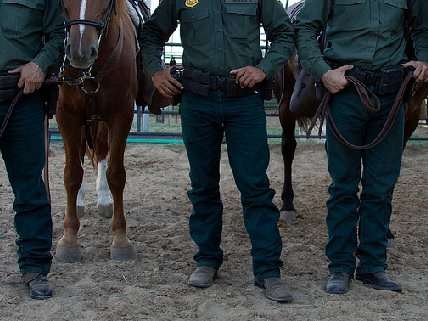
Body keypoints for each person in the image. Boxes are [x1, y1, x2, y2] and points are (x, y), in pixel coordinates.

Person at [142, 0, 295, 302]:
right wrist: (156, 71)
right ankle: (207, 259)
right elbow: (151, 34)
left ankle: (268, 271)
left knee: (255, 187)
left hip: (244, 100)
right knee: (203, 185)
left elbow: (284, 33)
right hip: (197, 100)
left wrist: (264, 69)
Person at [295, 0, 428, 294]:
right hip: (346, 93)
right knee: (343, 185)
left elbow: (423, 27)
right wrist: (322, 71)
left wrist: (424, 59)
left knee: (380, 186)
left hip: (392, 94)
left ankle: (372, 266)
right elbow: (305, 28)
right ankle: (340, 267)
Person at [0, 0, 64, 299]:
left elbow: (58, 36)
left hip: (20, 97)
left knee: (29, 189)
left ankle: (35, 268)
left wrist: (39, 63)